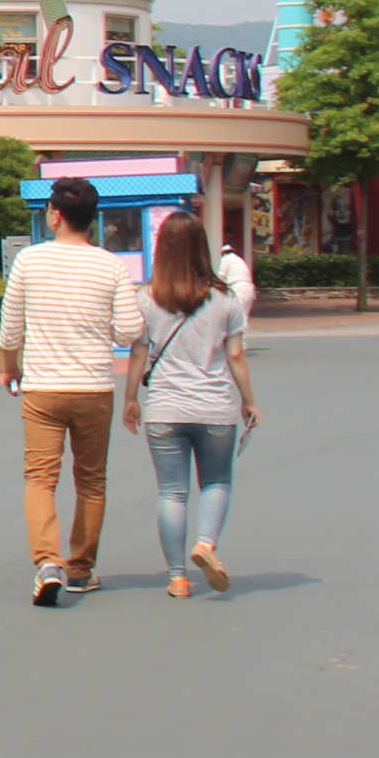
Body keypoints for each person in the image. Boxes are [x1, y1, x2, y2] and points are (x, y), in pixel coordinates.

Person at [0, 177, 145, 605]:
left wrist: (11, 369)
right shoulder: (111, 266)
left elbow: (10, 329)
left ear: (56, 215)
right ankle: (81, 569)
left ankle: (48, 562)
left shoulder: (29, 260)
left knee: (40, 479)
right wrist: (103, 329)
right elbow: (130, 329)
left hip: (42, 388)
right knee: (92, 480)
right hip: (94, 388)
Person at [125, 213, 259, 598]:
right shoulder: (226, 299)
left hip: (164, 409)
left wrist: (131, 399)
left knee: (172, 493)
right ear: (203, 248)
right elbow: (236, 355)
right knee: (216, 481)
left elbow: (138, 353)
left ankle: (178, 578)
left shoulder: (146, 297)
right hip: (214, 407)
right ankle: (205, 544)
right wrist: (249, 402)